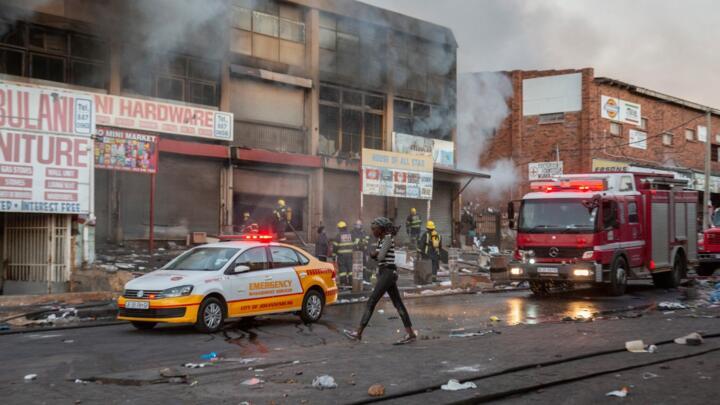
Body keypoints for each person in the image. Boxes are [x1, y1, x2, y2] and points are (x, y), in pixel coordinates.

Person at [343, 217, 416, 345]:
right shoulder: (382, 239)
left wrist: (374, 254)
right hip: (386, 272)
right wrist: (376, 254)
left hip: (388, 272)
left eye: (374, 229)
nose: (372, 231)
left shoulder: (387, 238)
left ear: (381, 229)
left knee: (372, 301)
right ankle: (410, 334)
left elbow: (381, 256)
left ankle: (358, 333)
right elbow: (380, 255)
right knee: (398, 303)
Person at [332, 221, 355, 287]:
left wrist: (334, 256)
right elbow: (354, 244)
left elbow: (335, 247)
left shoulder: (338, 236)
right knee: (350, 269)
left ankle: (343, 283)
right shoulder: (350, 235)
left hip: (341, 256)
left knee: (342, 270)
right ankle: (351, 282)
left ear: (340, 228)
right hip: (350, 255)